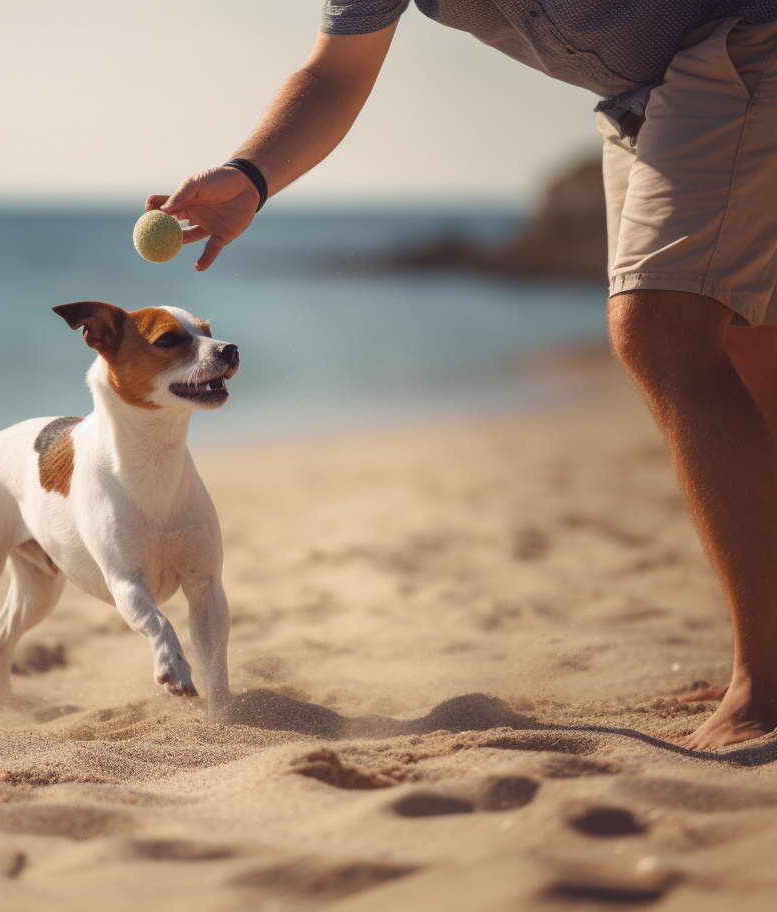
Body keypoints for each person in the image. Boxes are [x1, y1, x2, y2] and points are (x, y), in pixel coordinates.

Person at [147, 1, 777, 750]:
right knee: (744, 338)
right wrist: (251, 176)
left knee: (663, 325)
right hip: (649, 97)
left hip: (740, 40)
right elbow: (336, 72)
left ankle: (767, 680)